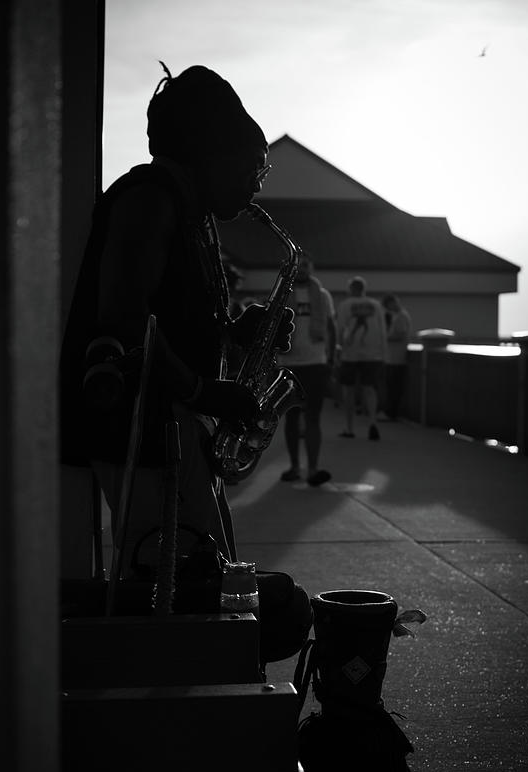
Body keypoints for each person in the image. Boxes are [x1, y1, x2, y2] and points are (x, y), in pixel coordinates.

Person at [60, 63, 295, 573]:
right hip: (142, 435)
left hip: (167, 432)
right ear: (212, 154)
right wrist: (205, 394)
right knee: (178, 590)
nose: (256, 186)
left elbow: (170, 320)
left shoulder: (189, 212)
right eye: (254, 168)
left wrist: (238, 333)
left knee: (197, 583)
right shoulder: (150, 199)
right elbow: (124, 322)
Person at [278, 252, 337, 487]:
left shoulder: (323, 296)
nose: (301, 269)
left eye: (305, 265)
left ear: (311, 268)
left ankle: (313, 469)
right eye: (297, 266)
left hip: (316, 363)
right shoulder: (282, 294)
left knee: (313, 417)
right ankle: (294, 467)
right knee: (291, 418)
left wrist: (331, 358)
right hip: (289, 364)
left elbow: (332, 328)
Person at [336, 276, 387, 440]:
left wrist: (337, 349)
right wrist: (383, 353)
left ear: (351, 289)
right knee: (370, 389)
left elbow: (340, 328)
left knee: (348, 391)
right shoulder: (376, 305)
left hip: (350, 354)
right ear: (364, 289)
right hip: (372, 354)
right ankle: (372, 422)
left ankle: (349, 428)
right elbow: (382, 330)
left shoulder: (345, 305)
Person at [382, 293, 411, 420]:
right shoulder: (397, 316)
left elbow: (400, 335)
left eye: (388, 305)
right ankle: (390, 412)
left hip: (397, 359)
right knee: (391, 387)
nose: (388, 309)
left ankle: (391, 413)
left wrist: (385, 337)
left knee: (394, 388)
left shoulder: (401, 317)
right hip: (393, 358)